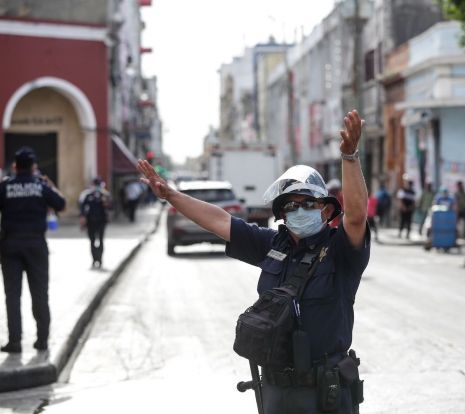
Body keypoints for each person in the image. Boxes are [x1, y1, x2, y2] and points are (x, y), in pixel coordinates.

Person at [138, 110, 369, 413]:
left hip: (325, 394)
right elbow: (220, 221)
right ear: (282, 214)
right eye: (290, 206)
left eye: (308, 204)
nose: (299, 211)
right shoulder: (273, 244)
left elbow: (357, 215)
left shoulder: (340, 250)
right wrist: (171, 195)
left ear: (326, 211)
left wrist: (349, 156)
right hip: (274, 392)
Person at [0, 147, 66, 353]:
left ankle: (15, 342)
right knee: (40, 294)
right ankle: (42, 340)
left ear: (15, 167)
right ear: (34, 167)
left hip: (10, 245)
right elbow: (62, 206)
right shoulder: (41, 187)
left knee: (12, 295)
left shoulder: (4, 187)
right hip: (36, 245)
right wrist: (50, 185)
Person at [79, 177, 111, 268]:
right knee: (92, 241)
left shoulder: (105, 195)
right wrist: (82, 217)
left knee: (100, 240)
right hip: (90, 221)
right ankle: (94, 259)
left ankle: (100, 259)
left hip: (101, 221)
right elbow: (82, 208)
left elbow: (110, 206)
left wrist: (107, 204)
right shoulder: (88, 195)